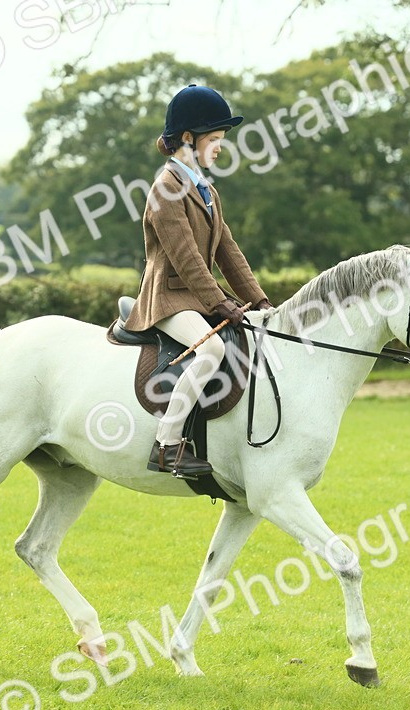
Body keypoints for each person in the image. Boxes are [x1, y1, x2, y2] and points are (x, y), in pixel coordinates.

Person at [124, 84, 273, 478]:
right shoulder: (165, 190)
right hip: (168, 299)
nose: (221, 147)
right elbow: (188, 261)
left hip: (194, 297)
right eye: (216, 139)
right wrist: (220, 304)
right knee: (209, 352)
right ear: (188, 139)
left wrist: (259, 302)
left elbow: (228, 251)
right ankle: (167, 446)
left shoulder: (206, 189)